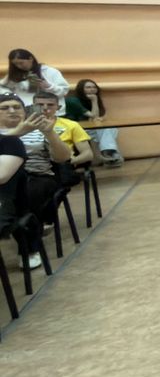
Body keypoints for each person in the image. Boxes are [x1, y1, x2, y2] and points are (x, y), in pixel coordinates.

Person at [0, 92, 66, 269]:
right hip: (5, 181)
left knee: (26, 195)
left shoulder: (41, 130)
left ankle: (29, 249)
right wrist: (16, 133)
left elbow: (62, 158)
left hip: (37, 176)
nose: (12, 111)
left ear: (25, 111)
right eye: (5, 108)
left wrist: (50, 133)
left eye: (17, 107)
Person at [65, 79, 123, 166]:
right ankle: (109, 153)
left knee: (110, 128)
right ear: (81, 89)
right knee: (106, 129)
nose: (92, 89)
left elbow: (96, 119)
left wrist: (100, 118)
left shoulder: (92, 100)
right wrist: (94, 101)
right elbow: (94, 116)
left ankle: (108, 153)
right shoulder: (73, 101)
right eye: (88, 87)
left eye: (94, 87)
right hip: (72, 130)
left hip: (86, 128)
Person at [1, 49, 69, 105]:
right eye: (15, 64)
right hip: (23, 109)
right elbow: (2, 87)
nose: (19, 66)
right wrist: (11, 96)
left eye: (21, 63)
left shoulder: (49, 71)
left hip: (49, 109)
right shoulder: (14, 75)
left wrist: (48, 86)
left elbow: (64, 91)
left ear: (31, 59)